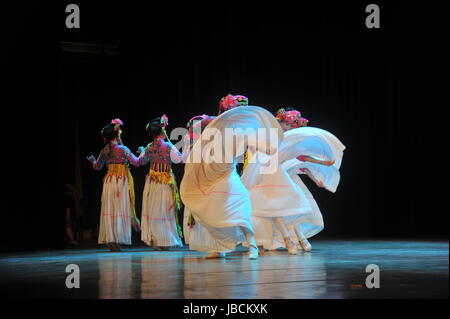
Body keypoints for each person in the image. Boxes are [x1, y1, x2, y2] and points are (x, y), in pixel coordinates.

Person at [180, 104, 282, 260]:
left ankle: (252, 244)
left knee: (238, 207)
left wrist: (268, 147)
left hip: (227, 176)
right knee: (211, 212)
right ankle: (220, 248)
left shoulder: (239, 134)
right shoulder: (213, 127)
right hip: (211, 178)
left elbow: (262, 146)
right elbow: (196, 126)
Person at [242, 107, 344, 254]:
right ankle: (287, 240)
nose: (288, 128)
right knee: (274, 210)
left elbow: (300, 157)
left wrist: (322, 164)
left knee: (290, 208)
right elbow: (256, 151)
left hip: (281, 177)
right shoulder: (270, 135)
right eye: (286, 124)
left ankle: (298, 238)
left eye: (290, 125)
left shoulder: (286, 140)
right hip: (267, 176)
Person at [87, 119, 141, 251]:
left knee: (110, 209)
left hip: (109, 182)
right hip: (120, 181)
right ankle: (117, 239)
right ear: (117, 134)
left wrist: (93, 161)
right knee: (118, 209)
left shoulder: (104, 150)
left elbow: (97, 167)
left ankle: (111, 239)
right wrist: (143, 152)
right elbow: (137, 162)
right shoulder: (123, 149)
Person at [137, 115, 184, 250]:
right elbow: (178, 160)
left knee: (154, 209)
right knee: (165, 209)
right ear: (163, 130)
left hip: (152, 182)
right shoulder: (168, 146)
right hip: (164, 181)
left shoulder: (149, 147)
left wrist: (141, 152)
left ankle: (156, 240)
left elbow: (140, 162)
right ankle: (165, 240)